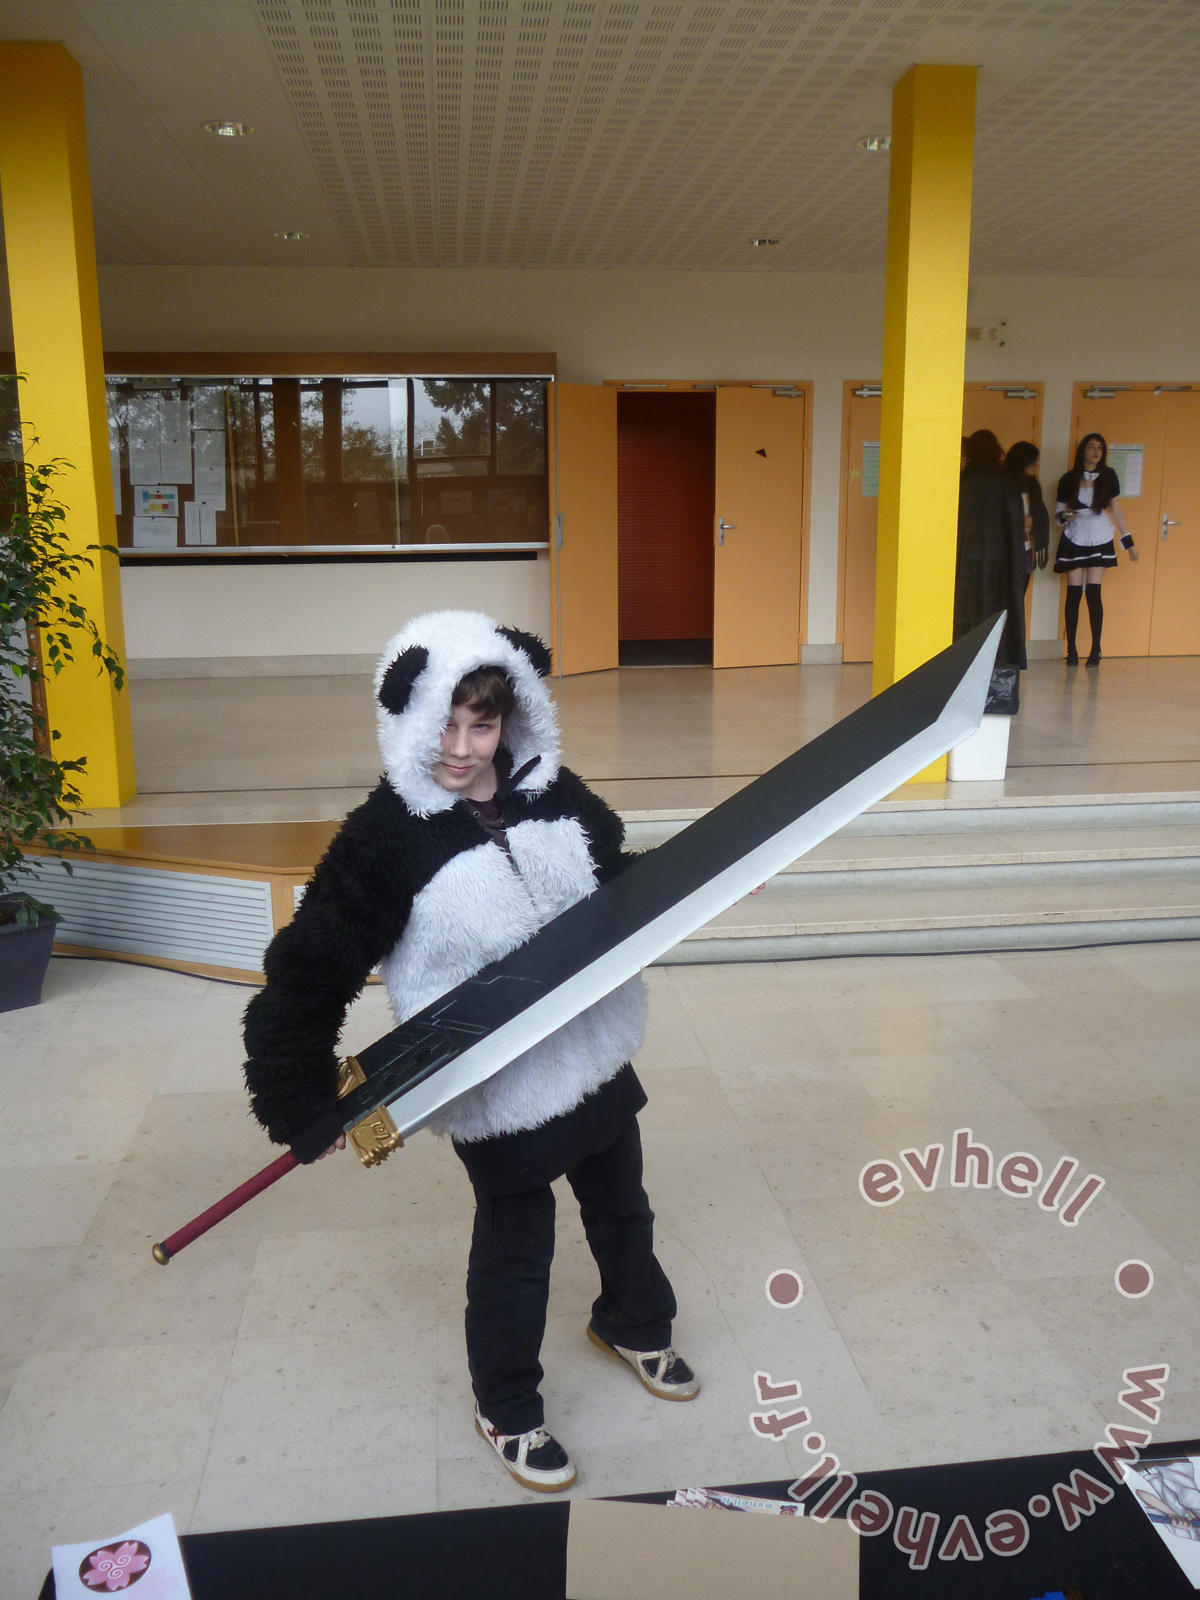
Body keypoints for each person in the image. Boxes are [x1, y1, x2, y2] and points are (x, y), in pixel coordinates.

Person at [242, 612, 698, 1494]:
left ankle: (634, 1321)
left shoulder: (552, 790)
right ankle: (508, 1407)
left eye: (480, 724)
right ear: (406, 714)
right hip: (495, 1080)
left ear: (512, 715)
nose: (460, 747)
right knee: (518, 1253)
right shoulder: (383, 839)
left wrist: (701, 875)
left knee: (623, 1208)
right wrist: (301, 1100)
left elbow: (615, 877)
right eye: (443, 724)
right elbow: (306, 974)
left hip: (595, 1046)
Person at [1053, 432, 1139, 666]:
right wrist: (1072, 514)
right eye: (1091, 446)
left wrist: (1128, 541)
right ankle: (1071, 650)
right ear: (1082, 450)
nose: (1095, 451)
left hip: (1100, 536)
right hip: (1075, 535)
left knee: (1093, 593)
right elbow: (1059, 516)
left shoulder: (1109, 475)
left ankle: (1095, 649)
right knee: (1073, 594)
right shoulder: (1069, 478)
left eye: (1100, 447)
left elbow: (1117, 511)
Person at [954, 429, 1027, 682]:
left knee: (963, 611)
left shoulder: (959, 483)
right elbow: (1015, 529)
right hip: (999, 562)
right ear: (997, 451)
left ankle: (960, 666)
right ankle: (994, 667)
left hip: (962, 560)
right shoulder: (1006, 482)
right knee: (994, 612)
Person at [1002, 440, 1050, 594]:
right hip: (1006, 550)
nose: (1035, 465)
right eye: (1032, 462)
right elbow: (1001, 518)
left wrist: (1028, 523)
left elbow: (1039, 518)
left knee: (1020, 596)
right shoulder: (1003, 485)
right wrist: (1024, 523)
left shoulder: (1033, 486)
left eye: (1036, 461)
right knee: (1004, 599)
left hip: (1026, 548)